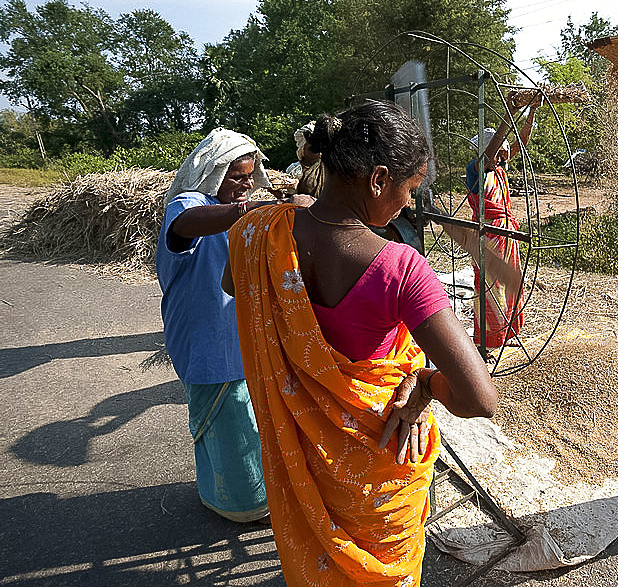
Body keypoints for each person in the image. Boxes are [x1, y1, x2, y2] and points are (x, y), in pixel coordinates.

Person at [223, 101, 498, 586]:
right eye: (409, 189)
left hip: (305, 464)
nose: (409, 204)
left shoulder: (259, 232)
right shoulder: (401, 268)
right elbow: (480, 399)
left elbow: (233, 283)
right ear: (377, 180)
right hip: (379, 473)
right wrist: (427, 385)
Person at [156, 128, 312, 522]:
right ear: (213, 173)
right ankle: (242, 504)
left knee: (248, 418)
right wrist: (250, 209)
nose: (245, 185)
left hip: (236, 332)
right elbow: (187, 224)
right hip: (205, 333)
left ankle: (234, 489)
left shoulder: (236, 211)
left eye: (249, 176)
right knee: (229, 420)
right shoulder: (189, 205)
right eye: (237, 177)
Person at [464, 99, 537, 350]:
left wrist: (531, 111)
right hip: (488, 236)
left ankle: (508, 334)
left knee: (509, 284)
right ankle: (486, 343)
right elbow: (488, 156)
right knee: (488, 289)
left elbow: (522, 143)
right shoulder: (476, 170)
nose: (503, 157)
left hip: (507, 234)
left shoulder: (499, 167)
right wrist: (510, 113)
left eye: (504, 154)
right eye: (499, 153)